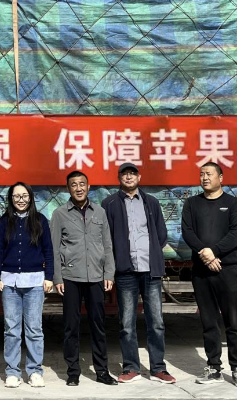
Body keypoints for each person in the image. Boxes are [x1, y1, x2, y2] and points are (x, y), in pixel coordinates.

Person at [101, 162, 176, 384]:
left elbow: (161, 234)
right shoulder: (109, 203)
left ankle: (158, 368)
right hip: (125, 271)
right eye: (124, 174)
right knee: (126, 323)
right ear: (119, 179)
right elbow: (106, 238)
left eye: (132, 173)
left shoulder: (151, 202)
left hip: (150, 270)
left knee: (156, 322)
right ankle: (131, 367)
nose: (129, 177)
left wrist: (152, 253)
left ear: (139, 177)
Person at [182, 162, 237, 388]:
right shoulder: (192, 204)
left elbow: (235, 233)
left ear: (221, 177)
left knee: (233, 320)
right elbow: (187, 232)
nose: (204, 177)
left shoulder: (233, 203)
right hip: (202, 269)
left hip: (227, 268)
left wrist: (215, 252)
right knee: (208, 321)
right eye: (201, 174)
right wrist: (206, 254)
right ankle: (213, 367)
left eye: (209, 174)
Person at [50, 171, 116, 387]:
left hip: (96, 276)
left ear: (89, 187)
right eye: (74, 185)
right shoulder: (60, 214)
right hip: (70, 277)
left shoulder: (100, 212)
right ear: (68, 189)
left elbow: (107, 245)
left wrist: (109, 273)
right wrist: (57, 277)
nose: (78, 188)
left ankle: (102, 370)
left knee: (98, 325)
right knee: (71, 326)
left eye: (82, 184)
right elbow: (54, 248)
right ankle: (73, 372)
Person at [0, 182, 54, 389]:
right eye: (16, 196)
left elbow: (48, 250)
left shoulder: (40, 220)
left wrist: (49, 276)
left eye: (24, 196)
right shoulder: (5, 221)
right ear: (11, 199)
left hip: (35, 281)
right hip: (10, 282)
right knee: (11, 329)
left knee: (34, 329)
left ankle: (35, 371)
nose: (21, 200)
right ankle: (12, 372)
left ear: (30, 198)